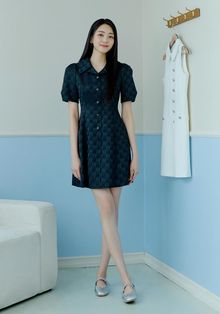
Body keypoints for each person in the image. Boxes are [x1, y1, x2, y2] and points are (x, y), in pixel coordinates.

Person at [61, 18, 139, 303]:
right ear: (92, 38)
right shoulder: (74, 72)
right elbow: (72, 116)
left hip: (117, 145)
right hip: (90, 147)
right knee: (107, 211)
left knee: (111, 218)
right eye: (101, 34)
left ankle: (101, 275)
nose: (106, 39)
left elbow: (127, 113)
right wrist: (74, 154)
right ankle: (128, 282)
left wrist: (135, 153)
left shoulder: (122, 71)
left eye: (111, 36)